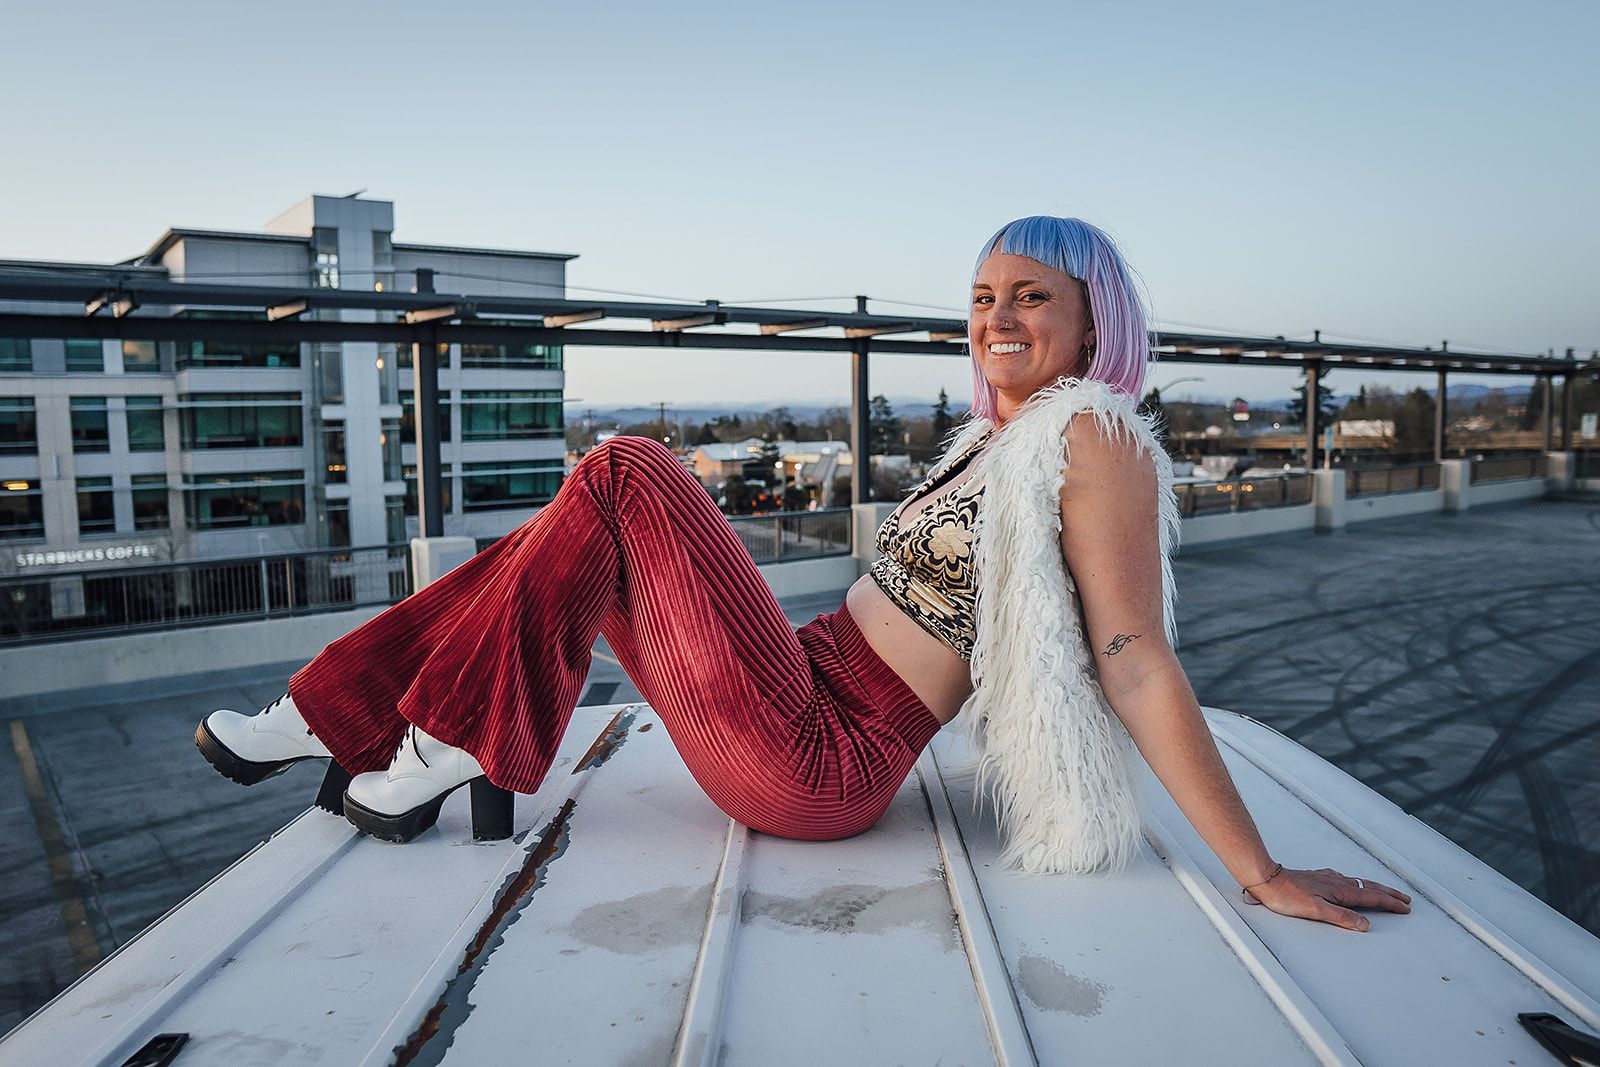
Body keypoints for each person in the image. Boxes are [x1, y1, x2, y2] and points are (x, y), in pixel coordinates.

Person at [196, 215, 1411, 933]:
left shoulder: (1094, 435)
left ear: (1094, 321)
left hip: (825, 750)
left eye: (1031, 296)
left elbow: (1134, 652)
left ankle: (427, 733)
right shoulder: (1001, 434)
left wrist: (1255, 868)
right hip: (800, 681)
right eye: (983, 296)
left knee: (623, 466)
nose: (996, 316)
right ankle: (342, 715)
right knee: (570, 529)